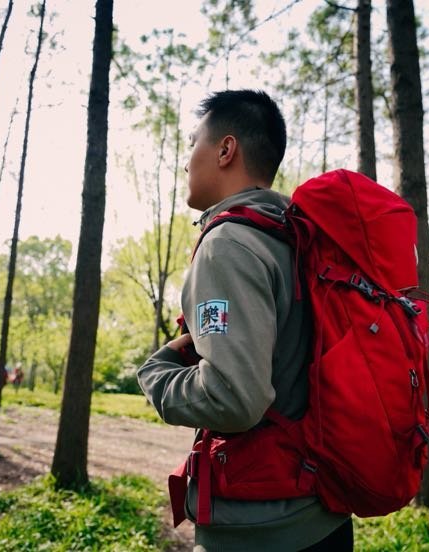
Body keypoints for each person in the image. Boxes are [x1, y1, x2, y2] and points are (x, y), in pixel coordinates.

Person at [137, 89, 352, 551]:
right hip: (322, 516)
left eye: (194, 142)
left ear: (225, 149)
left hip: (262, 530)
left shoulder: (229, 245)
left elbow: (233, 400)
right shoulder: (294, 240)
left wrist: (156, 376)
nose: (187, 159)